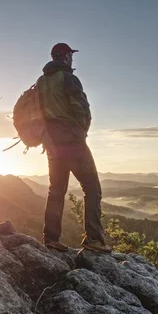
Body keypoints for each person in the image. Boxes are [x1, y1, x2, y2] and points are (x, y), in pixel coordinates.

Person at [38, 43, 112, 253]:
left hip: (51, 143)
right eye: (71, 55)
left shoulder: (41, 82)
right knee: (92, 188)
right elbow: (81, 107)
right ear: (65, 56)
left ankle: (51, 238)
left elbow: (39, 114)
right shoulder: (68, 78)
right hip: (72, 141)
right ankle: (94, 240)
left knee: (57, 190)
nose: (72, 59)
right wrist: (82, 132)